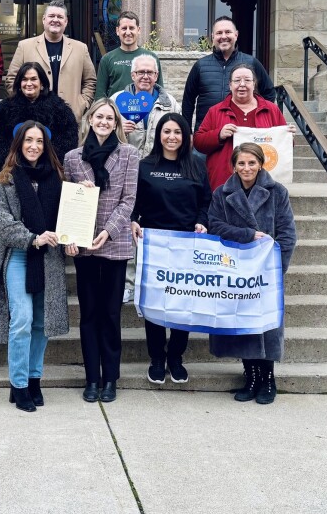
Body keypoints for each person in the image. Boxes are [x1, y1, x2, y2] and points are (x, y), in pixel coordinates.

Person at [0, 121, 69, 413]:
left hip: (49, 258)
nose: (34, 146)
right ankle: (18, 385)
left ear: (46, 146)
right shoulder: (5, 180)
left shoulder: (58, 178)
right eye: (28, 140)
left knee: (41, 323)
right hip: (19, 256)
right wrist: (33, 238)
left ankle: (34, 379)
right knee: (22, 319)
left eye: (39, 141)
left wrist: (80, 195)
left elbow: (68, 216)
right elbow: (3, 225)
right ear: (19, 144)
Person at [208, 143, 297, 405]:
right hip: (237, 272)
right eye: (241, 163)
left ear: (260, 164)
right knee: (243, 324)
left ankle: (268, 379)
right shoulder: (222, 194)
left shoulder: (277, 192)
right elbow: (215, 226)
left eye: (251, 163)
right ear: (233, 166)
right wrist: (247, 235)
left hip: (266, 273)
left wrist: (276, 270)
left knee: (266, 325)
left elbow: (288, 234)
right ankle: (251, 376)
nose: (246, 168)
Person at [63, 98, 138, 403]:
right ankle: (92, 378)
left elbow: (128, 200)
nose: (104, 122)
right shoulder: (72, 158)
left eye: (110, 118)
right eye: (99, 117)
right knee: (89, 314)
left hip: (114, 244)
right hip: (84, 246)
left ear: (116, 123)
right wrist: (69, 236)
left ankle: (110, 379)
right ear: (90, 120)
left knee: (110, 313)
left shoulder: (129, 154)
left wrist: (108, 231)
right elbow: (68, 202)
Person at [131, 114, 211, 385]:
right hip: (153, 244)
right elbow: (134, 202)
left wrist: (202, 221)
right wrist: (132, 220)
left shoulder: (197, 165)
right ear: (159, 135)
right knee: (155, 302)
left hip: (187, 243)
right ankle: (156, 358)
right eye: (166, 131)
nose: (172, 137)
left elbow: (206, 201)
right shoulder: (145, 166)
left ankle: (176, 357)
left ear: (185, 136)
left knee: (182, 302)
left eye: (177, 132)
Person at [111, 54, 181, 304]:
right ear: (132, 75)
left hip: (157, 174)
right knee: (127, 227)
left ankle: (154, 282)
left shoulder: (169, 102)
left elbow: (180, 134)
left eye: (150, 72)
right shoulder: (117, 101)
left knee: (152, 228)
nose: (145, 76)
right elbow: (99, 131)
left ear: (156, 75)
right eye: (140, 72)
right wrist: (119, 129)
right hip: (124, 174)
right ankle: (129, 283)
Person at [193, 64, 292, 191]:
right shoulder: (216, 111)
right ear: (230, 85)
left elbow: (283, 146)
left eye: (247, 80)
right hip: (224, 182)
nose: (242, 84)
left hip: (263, 183)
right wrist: (219, 135)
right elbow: (198, 142)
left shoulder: (271, 109)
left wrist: (288, 136)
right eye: (237, 80)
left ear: (254, 84)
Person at [4, 0, 96, 122]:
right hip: (34, 119)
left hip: (69, 117)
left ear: (66, 21)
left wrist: (82, 104)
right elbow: (11, 79)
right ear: (44, 19)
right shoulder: (25, 46)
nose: (55, 20)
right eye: (51, 16)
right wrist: (23, 106)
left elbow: (90, 81)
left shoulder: (80, 48)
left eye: (60, 17)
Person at [182, 15, 276, 130]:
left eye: (228, 32)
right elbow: (188, 101)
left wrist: (260, 119)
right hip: (207, 132)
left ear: (236, 35)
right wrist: (187, 132)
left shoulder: (251, 63)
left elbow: (269, 93)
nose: (223, 36)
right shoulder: (200, 66)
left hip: (242, 132)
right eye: (219, 33)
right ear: (213, 36)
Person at [0, 61, 78, 168]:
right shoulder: (4, 110)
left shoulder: (59, 109)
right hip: (14, 168)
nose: (29, 84)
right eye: (24, 79)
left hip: (48, 169)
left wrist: (47, 165)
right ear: (19, 83)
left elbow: (67, 141)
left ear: (42, 83)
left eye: (33, 79)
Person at [95, 10, 162, 99]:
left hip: (147, 106)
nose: (128, 32)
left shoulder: (151, 58)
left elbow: (160, 91)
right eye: (124, 28)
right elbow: (100, 95)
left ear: (138, 30)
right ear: (117, 31)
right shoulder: (107, 59)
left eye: (131, 28)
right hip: (116, 107)